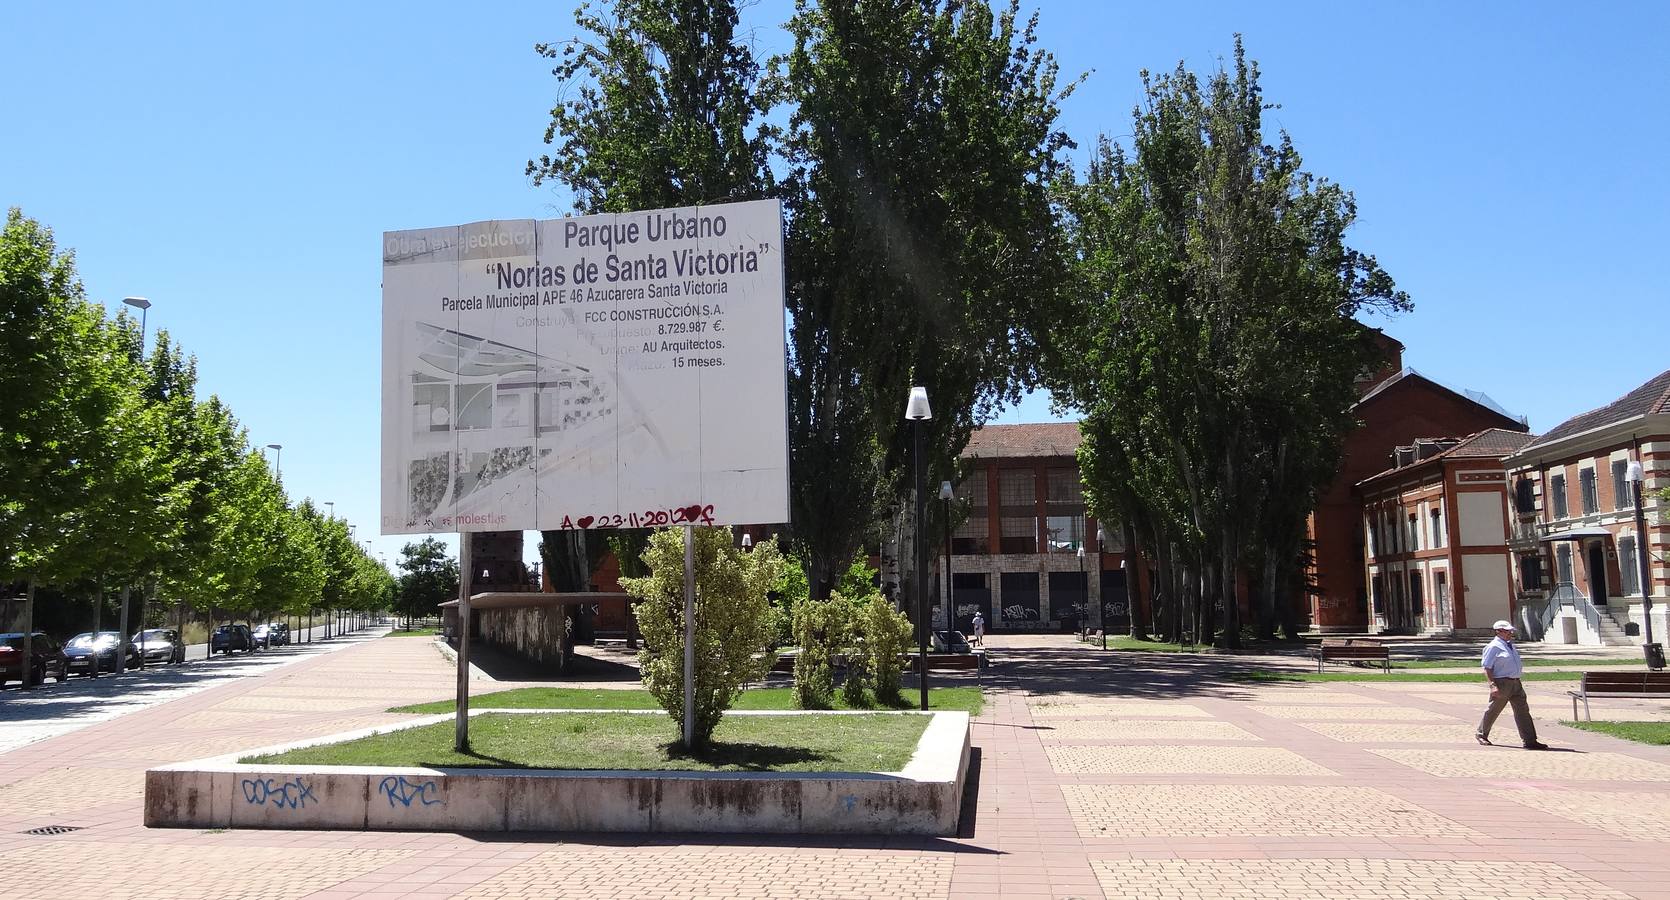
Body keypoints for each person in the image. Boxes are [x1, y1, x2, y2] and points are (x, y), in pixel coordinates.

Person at [1477, 619, 1548, 749]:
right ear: (1498, 632)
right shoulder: (1493, 646)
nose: (1510, 633)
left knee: (1523, 711)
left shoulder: (1510, 645)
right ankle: (1481, 734)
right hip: (1502, 682)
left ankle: (1530, 740)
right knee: (1493, 710)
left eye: (1510, 631)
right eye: (1507, 631)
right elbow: (1487, 667)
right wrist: (1492, 685)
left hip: (1516, 683)